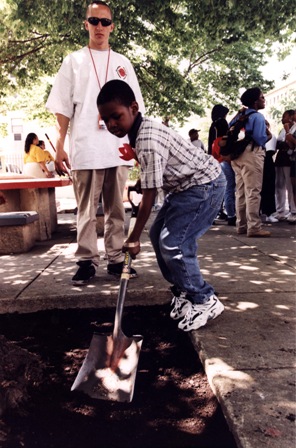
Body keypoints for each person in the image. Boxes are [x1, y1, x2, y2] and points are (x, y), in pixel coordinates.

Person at [97, 79, 227, 332]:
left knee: (174, 242)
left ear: (133, 107)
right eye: (106, 120)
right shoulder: (138, 131)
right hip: (185, 187)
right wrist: (140, 179)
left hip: (204, 185)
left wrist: (133, 238)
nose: (111, 124)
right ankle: (184, 291)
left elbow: (150, 195)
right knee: (157, 235)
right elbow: (151, 176)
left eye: (116, 116)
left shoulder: (146, 138)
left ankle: (203, 298)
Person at [46, 0, 145, 285]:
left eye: (104, 22)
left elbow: (135, 107)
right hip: (86, 147)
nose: (99, 27)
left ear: (112, 26)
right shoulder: (73, 61)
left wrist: (137, 143)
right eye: (94, 21)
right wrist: (60, 145)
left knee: (116, 208)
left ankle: (115, 259)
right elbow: (63, 108)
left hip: (118, 146)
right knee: (87, 210)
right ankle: (86, 260)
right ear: (85, 24)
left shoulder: (123, 62)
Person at [230, 88, 271, 237]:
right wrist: (269, 135)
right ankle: (254, 227)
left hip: (237, 155)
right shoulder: (258, 117)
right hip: (252, 154)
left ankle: (241, 225)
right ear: (255, 102)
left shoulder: (238, 116)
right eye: (261, 97)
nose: (264, 99)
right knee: (253, 191)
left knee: (240, 191)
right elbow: (260, 139)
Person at [210, 105, 236, 225]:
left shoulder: (214, 141)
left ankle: (215, 214)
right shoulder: (226, 140)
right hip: (226, 164)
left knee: (219, 190)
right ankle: (231, 214)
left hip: (217, 165)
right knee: (229, 189)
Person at [274, 110, 296, 223]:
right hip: (280, 159)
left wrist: (286, 143)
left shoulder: (293, 129)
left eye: (285, 116)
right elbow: (279, 143)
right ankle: (280, 211)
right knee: (279, 185)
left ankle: (293, 210)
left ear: (292, 117)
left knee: (290, 186)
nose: (283, 119)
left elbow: (291, 144)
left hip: (289, 159)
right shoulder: (283, 130)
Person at [260, 121, 277, 222]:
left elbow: (272, 150)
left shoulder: (272, 136)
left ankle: (269, 212)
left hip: (268, 161)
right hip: (259, 160)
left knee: (269, 187)